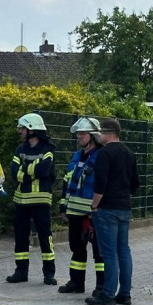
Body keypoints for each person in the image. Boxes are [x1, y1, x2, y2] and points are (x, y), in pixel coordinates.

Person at [85, 118, 140, 305]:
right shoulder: (129, 153)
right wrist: (124, 195)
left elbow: (100, 184)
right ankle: (124, 294)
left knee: (109, 253)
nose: (97, 136)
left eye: (99, 132)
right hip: (124, 208)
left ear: (108, 133)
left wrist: (94, 206)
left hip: (106, 209)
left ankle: (108, 294)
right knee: (123, 250)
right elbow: (135, 183)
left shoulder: (104, 154)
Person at [7, 113, 57, 285]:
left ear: (31, 130)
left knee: (45, 237)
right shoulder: (20, 149)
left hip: (41, 201)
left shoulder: (48, 149)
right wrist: (32, 170)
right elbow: (14, 172)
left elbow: (45, 170)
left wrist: (25, 170)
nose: (20, 131)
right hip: (21, 201)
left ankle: (49, 273)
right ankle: (21, 272)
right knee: (20, 237)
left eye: (22, 128)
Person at [58, 117, 104, 295]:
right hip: (75, 211)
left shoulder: (101, 156)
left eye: (83, 133)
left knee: (99, 251)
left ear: (93, 136)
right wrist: (64, 206)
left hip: (93, 213)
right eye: (78, 133)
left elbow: (102, 185)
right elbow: (67, 182)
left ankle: (101, 286)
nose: (79, 136)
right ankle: (76, 283)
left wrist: (96, 208)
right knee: (76, 247)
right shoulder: (77, 155)